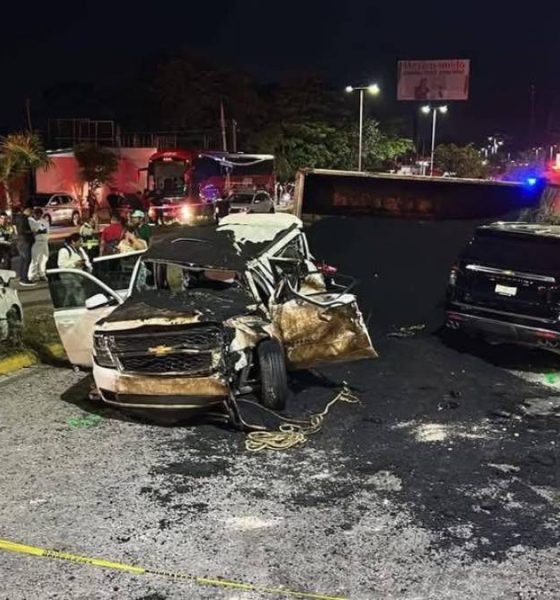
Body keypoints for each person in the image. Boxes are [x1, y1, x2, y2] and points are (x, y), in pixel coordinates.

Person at [57, 233, 92, 307]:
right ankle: (81, 306)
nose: (81, 244)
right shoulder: (64, 251)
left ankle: (65, 306)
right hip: (69, 277)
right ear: (73, 242)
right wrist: (74, 263)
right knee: (78, 291)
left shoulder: (81, 250)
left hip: (80, 275)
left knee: (70, 293)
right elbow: (61, 264)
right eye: (79, 241)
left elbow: (86, 260)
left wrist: (89, 268)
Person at [13, 206, 36, 286]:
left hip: (22, 241)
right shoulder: (23, 219)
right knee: (27, 260)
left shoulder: (20, 218)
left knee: (23, 260)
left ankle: (22, 277)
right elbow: (22, 230)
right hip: (25, 241)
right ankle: (24, 279)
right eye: (31, 211)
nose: (32, 214)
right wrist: (31, 232)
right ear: (27, 210)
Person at [28, 207, 50, 282]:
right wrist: (39, 231)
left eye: (40, 214)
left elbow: (46, 230)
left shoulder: (44, 221)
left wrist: (40, 231)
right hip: (37, 242)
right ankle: (31, 275)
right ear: (34, 214)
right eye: (37, 214)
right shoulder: (30, 221)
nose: (38, 216)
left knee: (44, 258)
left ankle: (42, 274)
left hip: (45, 242)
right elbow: (34, 231)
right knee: (35, 259)